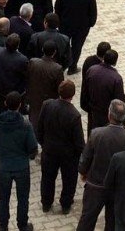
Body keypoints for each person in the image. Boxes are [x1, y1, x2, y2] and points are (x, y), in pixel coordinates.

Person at [0, 91, 39, 231]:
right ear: (20, 105)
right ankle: (22, 225)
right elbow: (33, 146)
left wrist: (2, 151)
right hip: (22, 167)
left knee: (3, 198)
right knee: (23, 198)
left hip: (4, 167)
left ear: (5, 104)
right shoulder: (25, 124)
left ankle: (2, 226)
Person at [78, 99, 125, 231]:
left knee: (87, 219)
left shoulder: (97, 133)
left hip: (96, 185)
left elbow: (86, 157)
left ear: (109, 115)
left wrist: (83, 172)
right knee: (112, 222)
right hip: (116, 187)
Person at [37, 79, 85, 215]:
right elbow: (79, 141)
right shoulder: (74, 114)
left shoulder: (47, 105)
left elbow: (39, 128)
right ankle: (65, 204)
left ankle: (46, 203)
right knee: (69, 179)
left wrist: (44, 144)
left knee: (47, 177)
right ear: (73, 95)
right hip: (68, 155)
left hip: (49, 150)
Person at [55, 0, 98, 74]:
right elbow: (93, 12)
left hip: (65, 24)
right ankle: (72, 67)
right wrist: (90, 24)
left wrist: (59, 19)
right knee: (77, 47)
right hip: (81, 27)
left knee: (63, 45)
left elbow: (57, 6)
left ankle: (60, 65)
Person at [84, 49, 125, 133]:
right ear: (115, 62)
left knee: (92, 133)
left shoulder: (91, 70)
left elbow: (85, 90)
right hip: (107, 115)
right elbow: (119, 100)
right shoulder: (116, 78)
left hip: (93, 111)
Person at [26, 40, 64, 130]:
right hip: (48, 99)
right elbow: (59, 87)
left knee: (34, 118)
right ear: (54, 52)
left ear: (42, 49)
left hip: (34, 96)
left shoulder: (33, 62)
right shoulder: (57, 68)